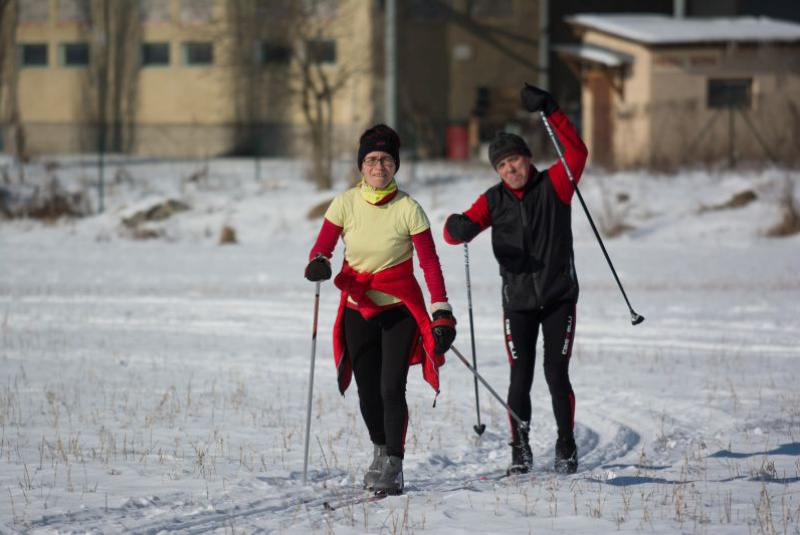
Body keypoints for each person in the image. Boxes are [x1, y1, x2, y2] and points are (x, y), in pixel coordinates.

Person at [443, 84, 588, 475]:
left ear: (528, 159)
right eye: (502, 166)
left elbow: (577, 152)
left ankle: (566, 444)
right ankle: (519, 449)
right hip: (518, 302)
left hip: (559, 296)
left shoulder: (554, 185)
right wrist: (456, 228)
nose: (511, 170)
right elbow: (456, 232)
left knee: (556, 373)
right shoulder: (494, 200)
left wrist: (552, 108)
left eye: (516, 161)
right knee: (519, 376)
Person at [305, 124, 457, 495]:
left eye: (386, 160)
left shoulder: (409, 208)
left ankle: (394, 462)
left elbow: (430, 264)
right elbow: (320, 249)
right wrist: (320, 263)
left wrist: (440, 310)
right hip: (358, 307)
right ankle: (379, 448)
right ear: (361, 165)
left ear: (395, 166)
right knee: (367, 390)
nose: (379, 166)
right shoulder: (344, 203)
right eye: (372, 159)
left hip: (398, 310)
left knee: (392, 387)